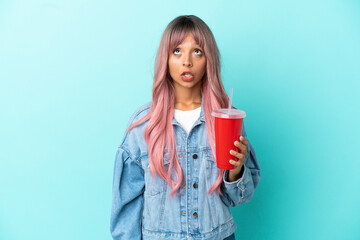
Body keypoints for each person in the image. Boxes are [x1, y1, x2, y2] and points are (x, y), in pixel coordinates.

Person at [110, 15, 261, 240]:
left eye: (197, 51)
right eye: (177, 51)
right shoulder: (143, 126)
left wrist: (236, 170)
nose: (187, 61)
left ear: (208, 59)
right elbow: (126, 209)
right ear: (166, 59)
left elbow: (238, 198)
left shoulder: (226, 119)